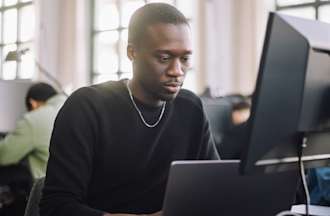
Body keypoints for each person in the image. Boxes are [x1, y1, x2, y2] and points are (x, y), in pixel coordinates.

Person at [40, 3, 219, 216]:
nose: (177, 71)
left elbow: (215, 186)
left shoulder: (191, 108)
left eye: (185, 59)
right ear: (132, 52)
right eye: (164, 58)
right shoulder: (87, 107)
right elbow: (56, 206)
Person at [0, 82, 66, 216]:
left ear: (33, 103)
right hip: (81, 195)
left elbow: (4, 155)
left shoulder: (33, 119)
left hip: (46, 197)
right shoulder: (74, 106)